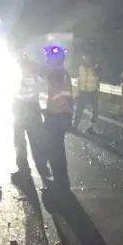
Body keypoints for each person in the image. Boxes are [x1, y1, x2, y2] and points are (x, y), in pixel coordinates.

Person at [12, 55, 49, 183]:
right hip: (22, 112)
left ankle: (41, 167)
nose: (24, 70)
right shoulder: (16, 79)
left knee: (35, 142)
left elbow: (47, 85)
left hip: (29, 112)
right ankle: (24, 169)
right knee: (21, 142)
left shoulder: (35, 79)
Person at [45, 54, 74, 188]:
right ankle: (61, 178)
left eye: (49, 59)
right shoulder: (62, 73)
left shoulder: (56, 73)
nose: (47, 61)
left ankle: (59, 179)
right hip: (60, 114)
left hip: (57, 115)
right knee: (57, 147)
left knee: (54, 147)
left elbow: (60, 96)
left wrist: (51, 111)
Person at [73, 53, 101, 131]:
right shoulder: (80, 67)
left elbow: (97, 75)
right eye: (85, 57)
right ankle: (75, 126)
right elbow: (79, 79)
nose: (87, 59)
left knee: (94, 111)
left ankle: (92, 127)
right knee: (79, 109)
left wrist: (91, 66)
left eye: (88, 57)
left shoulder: (96, 67)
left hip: (93, 92)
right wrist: (77, 91)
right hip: (83, 92)